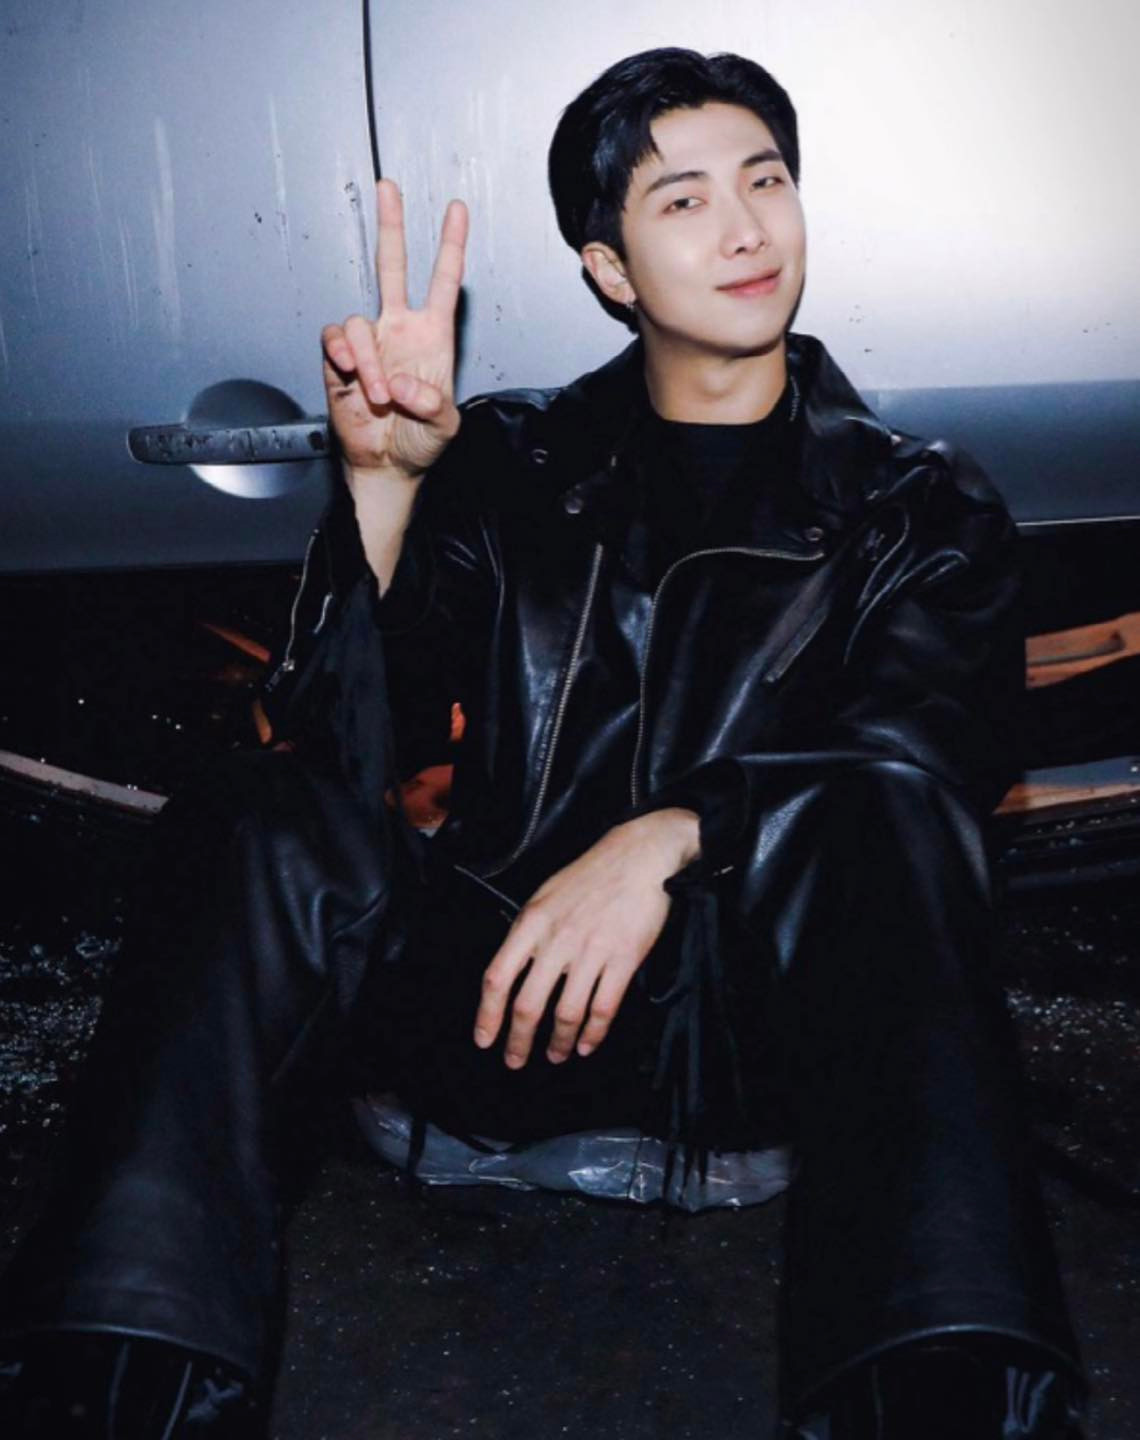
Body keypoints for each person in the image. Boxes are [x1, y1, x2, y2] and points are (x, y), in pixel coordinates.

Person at [0, 46, 1089, 1440]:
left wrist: (673, 835)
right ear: (610, 270)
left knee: (887, 816)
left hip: (741, 1045)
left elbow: (929, 750)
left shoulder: (916, 506)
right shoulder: (516, 457)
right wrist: (384, 492)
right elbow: (341, 740)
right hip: (481, 1014)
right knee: (254, 803)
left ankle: (949, 1409)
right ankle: (116, 1392)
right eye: (684, 200)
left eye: (766, 182)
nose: (746, 230)